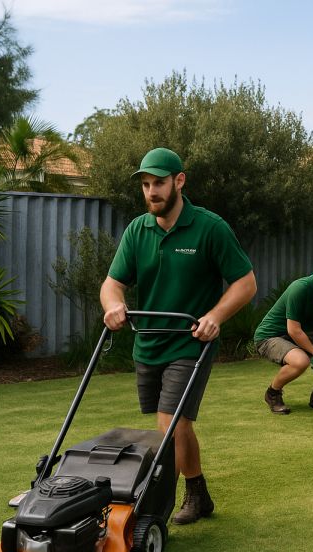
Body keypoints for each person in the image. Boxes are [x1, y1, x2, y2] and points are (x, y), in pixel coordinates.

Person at [100, 147, 257, 525]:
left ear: (179, 181)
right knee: (173, 423)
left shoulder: (209, 227)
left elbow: (246, 282)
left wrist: (215, 316)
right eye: (146, 184)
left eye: (159, 183)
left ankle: (152, 508)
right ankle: (199, 492)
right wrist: (113, 305)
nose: (152, 192)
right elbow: (112, 283)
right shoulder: (138, 231)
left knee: (172, 423)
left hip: (191, 342)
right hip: (148, 342)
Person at [254, 257, 313, 414]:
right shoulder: (300, 289)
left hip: (296, 335)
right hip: (271, 337)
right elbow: (294, 330)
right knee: (300, 361)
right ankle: (272, 394)